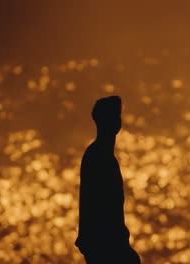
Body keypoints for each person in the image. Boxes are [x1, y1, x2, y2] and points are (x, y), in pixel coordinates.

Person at [75, 96, 141, 264]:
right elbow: (101, 207)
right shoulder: (100, 158)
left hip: (103, 243)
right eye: (116, 116)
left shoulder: (97, 154)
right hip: (104, 245)